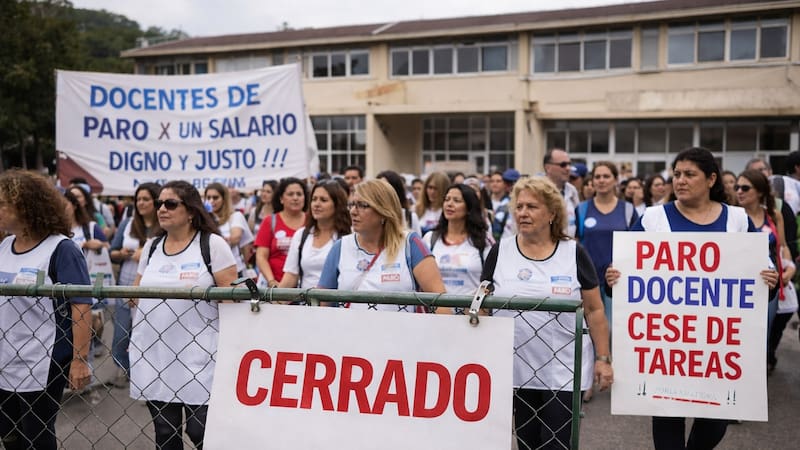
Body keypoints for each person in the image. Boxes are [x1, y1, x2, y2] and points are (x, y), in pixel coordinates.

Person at [606, 147, 779, 450]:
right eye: (676, 174)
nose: (680, 181)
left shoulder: (736, 220)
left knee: (714, 426)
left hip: (717, 349)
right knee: (667, 424)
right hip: (667, 347)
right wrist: (614, 280)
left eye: (689, 174)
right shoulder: (653, 218)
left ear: (711, 179)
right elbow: (626, 276)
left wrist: (771, 280)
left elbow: (762, 273)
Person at [481, 176, 612, 450]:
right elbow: (482, 305)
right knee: (526, 443)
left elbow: (595, 309)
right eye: (519, 206)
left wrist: (603, 359)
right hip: (514, 369)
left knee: (556, 444)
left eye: (532, 206)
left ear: (552, 213)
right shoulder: (499, 251)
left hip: (561, 370)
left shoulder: (573, 252)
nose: (523, 213)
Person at [130, 180, 237, 450]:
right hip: (156, 354)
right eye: (159, 204)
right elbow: (135, 292)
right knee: (165, 434)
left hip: (200, 356)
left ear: (190, 211)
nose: (161, 209)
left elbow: (232, 300)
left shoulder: (212, 245)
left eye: (170, 204)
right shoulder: (152, 247)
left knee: (202, 431)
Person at [0, 170, 93, 450]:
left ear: (26, 206)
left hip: (43, 360)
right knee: (8, 432)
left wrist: (79, 359)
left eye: (3, 204)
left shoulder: (62, 249)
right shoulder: (5, 245)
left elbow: (81, 305)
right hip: (5, 357)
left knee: (36, 434)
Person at [318, 179, 445, 310]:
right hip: (349, 329)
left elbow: (441, 302)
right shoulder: (340, 247)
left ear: (383, 211)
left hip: (402, 330)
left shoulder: (410, 244)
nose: (353, 211)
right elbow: (320, 304)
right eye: (352, 204)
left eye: (362, 205)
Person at [735, 169, 795, 373]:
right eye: (737, 187)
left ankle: (756, 378)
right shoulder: (733, 217)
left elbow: (783, 246)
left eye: (745, 187)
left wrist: (789, 269)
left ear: (760, 191)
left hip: (767, 285)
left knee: (762, 334)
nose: (739, 191)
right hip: (738, 287)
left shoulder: (773, 215)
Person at [109, 182, 161, 386]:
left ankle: (149, 376)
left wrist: (147, 254)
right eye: (138, 199)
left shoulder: (164, 225)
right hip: (126, 286)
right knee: (121, 338)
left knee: (149, 337)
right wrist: (121, 254)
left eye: (146, 199)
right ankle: (129, 371)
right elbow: (111, 252)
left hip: (152, 290)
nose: (141, 203)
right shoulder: (127, 224)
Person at [575, 161, 638, 327]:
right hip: (587, 283)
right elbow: (574, 244)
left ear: (616, 180)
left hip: (618, 282)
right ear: (592, 181)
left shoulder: (628, 209)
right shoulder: (581, 209)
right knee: (588, 332)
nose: (601, 180)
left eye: (606, 176)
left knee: (614, 333)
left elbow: (637, 246)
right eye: (597, 177)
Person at [422, 184, 490, 301]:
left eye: (457, 200)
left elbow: (490, 281)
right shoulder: (429, 239)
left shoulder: (483, 241)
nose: (449, 204)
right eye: (447, 199)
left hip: (469, 315)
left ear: (469, 208)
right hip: (435, 314)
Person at [280, 181, 351, 291]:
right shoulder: (301, 235)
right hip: (305, 305)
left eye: (323, 200)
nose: (316, 204)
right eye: (314, 199)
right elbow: (291, 275)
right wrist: (274, 302)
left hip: (335, 305)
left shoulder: (348, 236)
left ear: (337, 205)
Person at [254, 177, 307, 287]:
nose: (295, 198)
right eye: (290, 194)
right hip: (274, 286)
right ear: (281, 198)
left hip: (304, 288)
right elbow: (261, 256)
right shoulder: (270, 221)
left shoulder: (312, 222)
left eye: (299, 194)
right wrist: (272, 281)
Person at [205, 182, 254, 277]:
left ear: (224, 199)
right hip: (209, 272)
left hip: (234, 270)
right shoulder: (203, 220)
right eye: (208, 198)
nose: (211, 201)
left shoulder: (235, 216)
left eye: (215, 198)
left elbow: (236, 238)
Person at [543, 148, 581, 237]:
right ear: (548, 167)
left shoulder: (572, 191)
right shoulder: (536, 191)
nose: (568, 168)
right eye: (563, 165)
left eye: (569, 164)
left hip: (568, 247)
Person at [377, 170, 421, 235]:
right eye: (378, 187)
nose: (380, 191)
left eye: (385, 187)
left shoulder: (410, 217)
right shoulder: (370, 215)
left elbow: (417, 242)